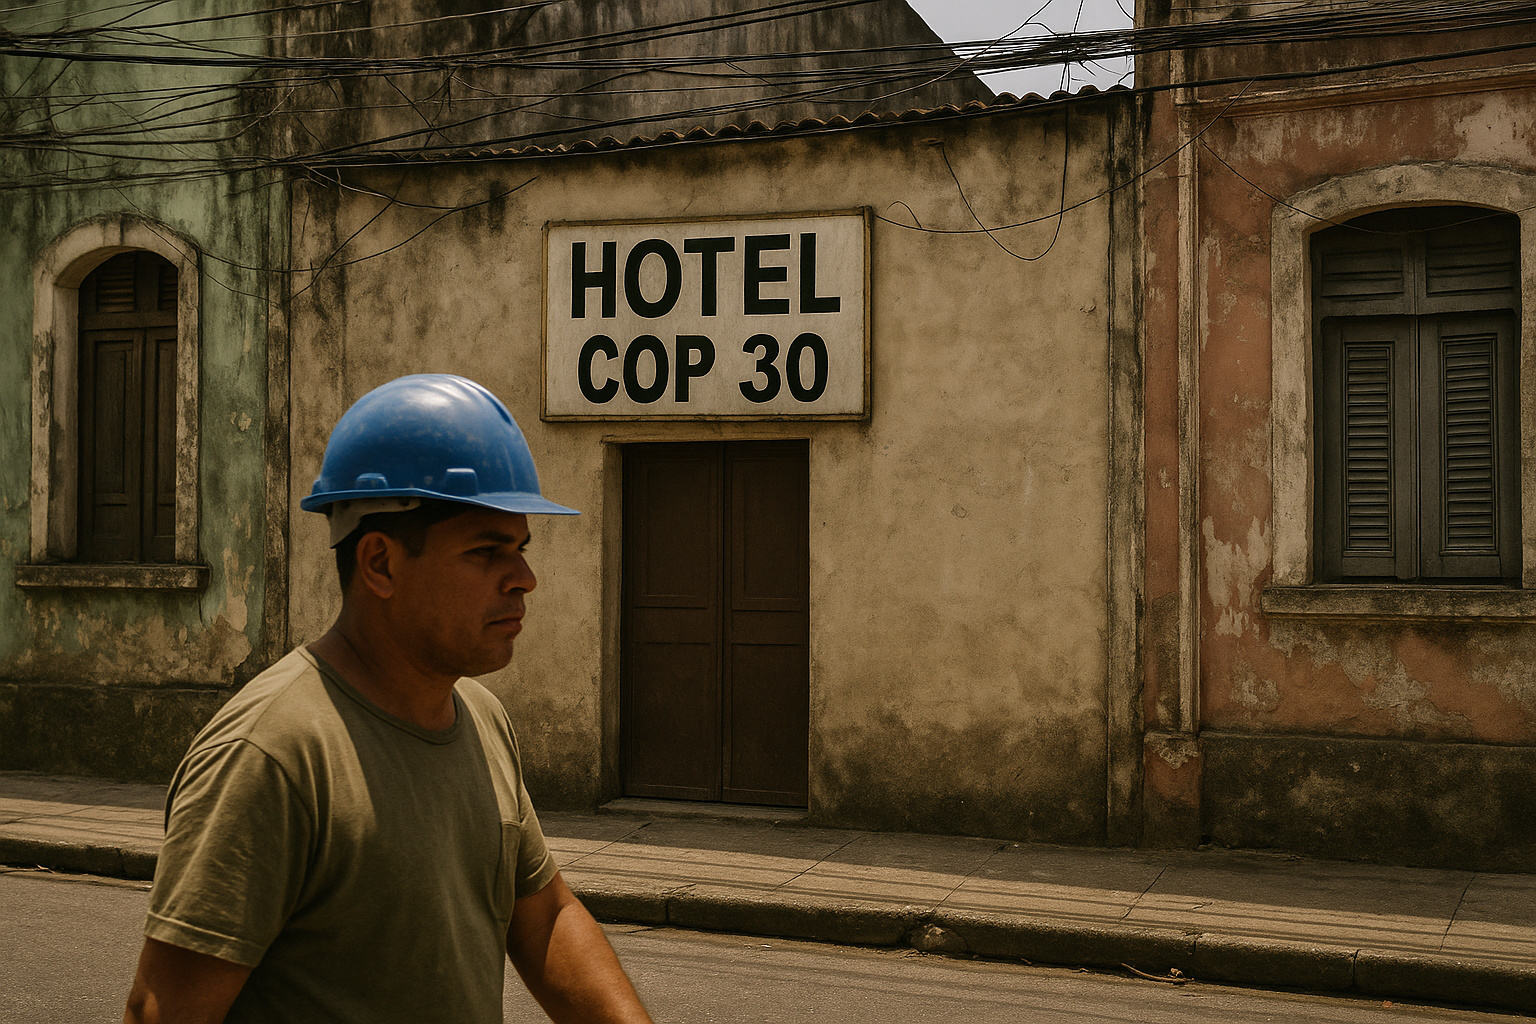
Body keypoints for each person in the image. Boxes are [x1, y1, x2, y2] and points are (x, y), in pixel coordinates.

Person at [124, 374, 654, 1024]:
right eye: (487, 551)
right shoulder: (273, 755)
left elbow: (542, 916)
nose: (524, 579)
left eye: (520, 549)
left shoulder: (482, 720)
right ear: (379, 563)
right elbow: (165, 1012)